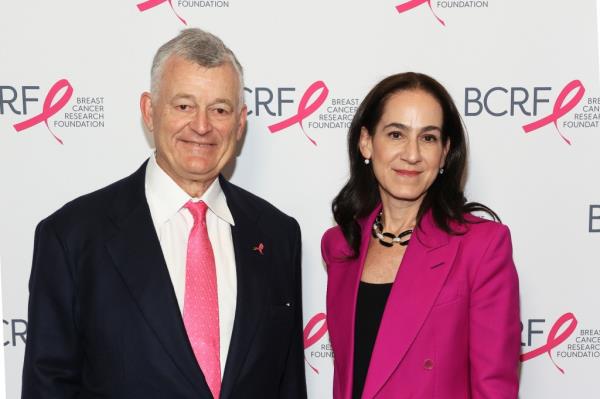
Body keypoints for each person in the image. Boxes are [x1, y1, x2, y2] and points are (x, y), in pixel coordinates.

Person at [22, 28, 306, 399]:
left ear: (239, 124)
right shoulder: (72, 237)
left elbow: (288, 386)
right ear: (150, 111)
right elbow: (48, 387)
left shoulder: (278, 235)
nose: (202, 126)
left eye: (219, 109)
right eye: (184, 105)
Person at [322, 72, 520, 399]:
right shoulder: (341, 245)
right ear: (366, 142)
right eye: (396, 134)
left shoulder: (481, 247)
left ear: (444, 152)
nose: (412, 154)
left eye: (428, 138)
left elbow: (494, 387)